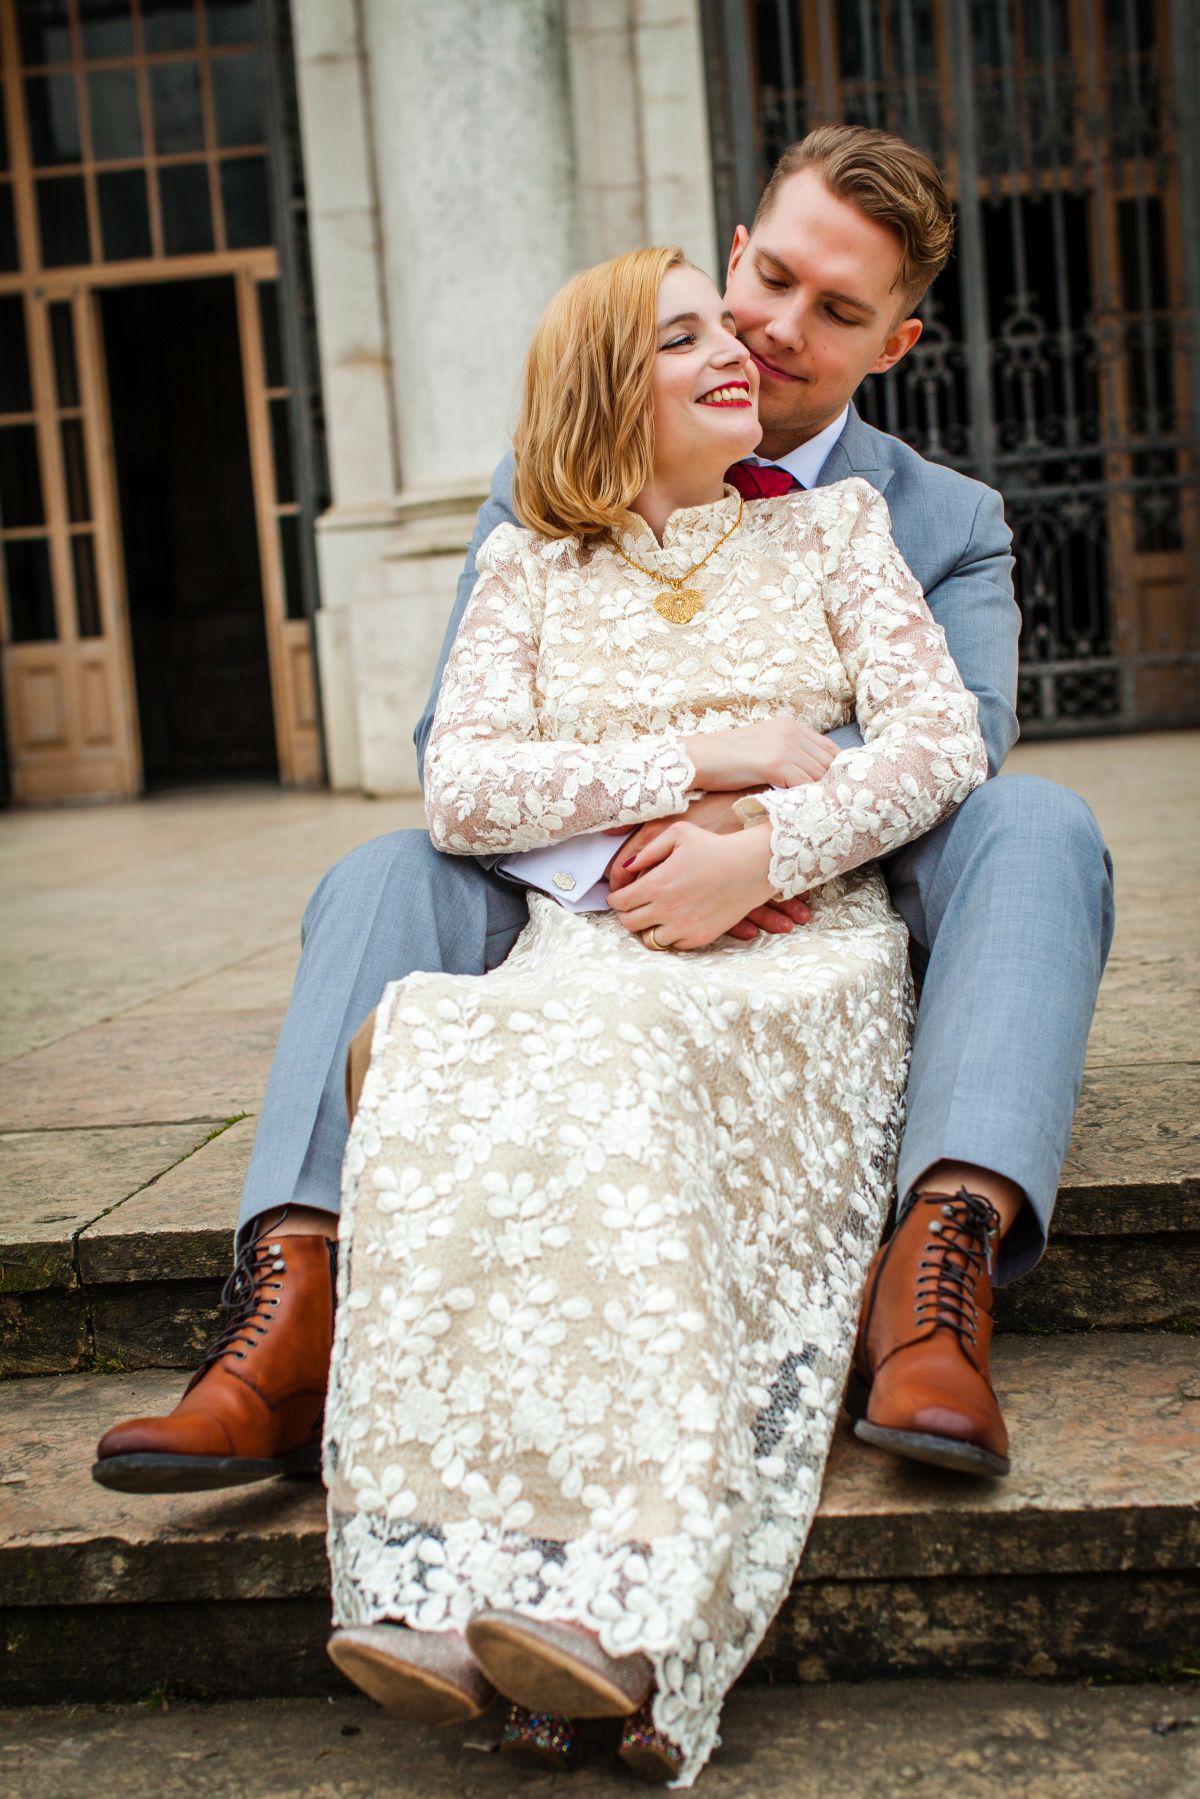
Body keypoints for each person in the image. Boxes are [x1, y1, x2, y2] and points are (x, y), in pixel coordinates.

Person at [93, 125, 1113, 1501]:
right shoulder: (548, 489)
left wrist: (751, 848)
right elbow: (454, 754)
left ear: (896, 345)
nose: (782, 330)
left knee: (1040, 824)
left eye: (841, 313)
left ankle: (936, 1276)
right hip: (580, 884)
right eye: (779, 282)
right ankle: (292, 1300)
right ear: (741, 251)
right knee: (383, 867)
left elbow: (959, 746)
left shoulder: (935, 518)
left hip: (851, 885)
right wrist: (659, 819)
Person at [320, 243, 987, 1786]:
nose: (738, 348)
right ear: (604, 389)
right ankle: (447, 1587)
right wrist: (710, 756)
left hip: (795, 958)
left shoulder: (836, 531)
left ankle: (626, 1615)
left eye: (723, 324)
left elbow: (938, 743)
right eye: (684, 336)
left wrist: (764, 844)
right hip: (599, 952)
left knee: (592, 1065)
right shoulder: (527, 574)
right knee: (460, 1038)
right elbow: (461, 788)